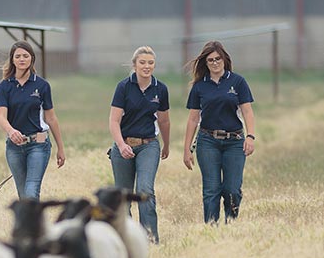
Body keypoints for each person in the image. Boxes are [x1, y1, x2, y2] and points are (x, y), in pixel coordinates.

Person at [182, 40, 256, 224]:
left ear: (224, 59)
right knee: (211, 189)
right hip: (208, 141)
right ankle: (211, 228)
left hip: (234, 141)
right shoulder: (200, 86)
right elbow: (193, 119)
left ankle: (231, 224)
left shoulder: (238, 82)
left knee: (232, 189)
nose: (215, 63)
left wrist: (250, 136)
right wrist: (186, 150)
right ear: (205, 63)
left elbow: (247, 111)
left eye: (218, 59)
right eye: (210, 60)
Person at [108, 45, 171, 242]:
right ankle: (126, 240)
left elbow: (164, 121)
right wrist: (120, 145)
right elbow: (114, 121)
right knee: (124, 197)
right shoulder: (123, 87)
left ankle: (150, 238)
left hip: (148, 144)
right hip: (123, 144)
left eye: (150, 63)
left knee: (145, 191)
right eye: (142, 62)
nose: (146, 66)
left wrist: (166, 145)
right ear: (134, 65)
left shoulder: (160, 89)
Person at [0, 41, 65, 199]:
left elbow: (51, 118)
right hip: (14, 146)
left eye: (25, 56)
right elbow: (1, 116)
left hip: (38, 145)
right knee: (23, 194)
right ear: (12, 59)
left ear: (32, 59)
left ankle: (33, 223)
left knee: (31, 191)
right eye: (18, 56)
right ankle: (32, 223)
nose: (22, 59)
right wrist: (11, 131)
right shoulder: (5, 86)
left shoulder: (42, 85)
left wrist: (61, 148)